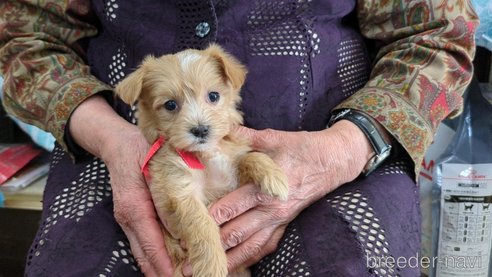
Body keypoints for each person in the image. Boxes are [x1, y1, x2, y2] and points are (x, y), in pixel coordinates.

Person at [0, 1, 478, 276]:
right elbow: (24, 42)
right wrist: (110, 138)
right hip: (119, 148)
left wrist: (345, 147)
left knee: (350, 264)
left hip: (343, 150)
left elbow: (437, 34)